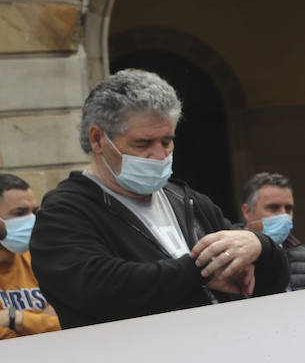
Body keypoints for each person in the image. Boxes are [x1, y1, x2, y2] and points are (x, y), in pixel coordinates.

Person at [29, 69, 288, 328]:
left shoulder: (188, 201)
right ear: (98, 140)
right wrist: (199, 271)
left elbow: (269, 281)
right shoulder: (64, 213)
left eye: (167, 141)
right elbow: (98, 289)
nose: (159, 155)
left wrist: (259, 247)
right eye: (143, 143)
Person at [0, 174, 60, 339]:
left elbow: (67, 321)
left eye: (34, 211)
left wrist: (15, 319)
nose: (32, 220)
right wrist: (42, 321)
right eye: (20, 213)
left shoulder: (40, 258)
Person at [240, 171, 305, 290]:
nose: (284, 215)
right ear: (247, 212)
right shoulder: (232, 257)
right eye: (273, 208)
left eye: (288, 208)